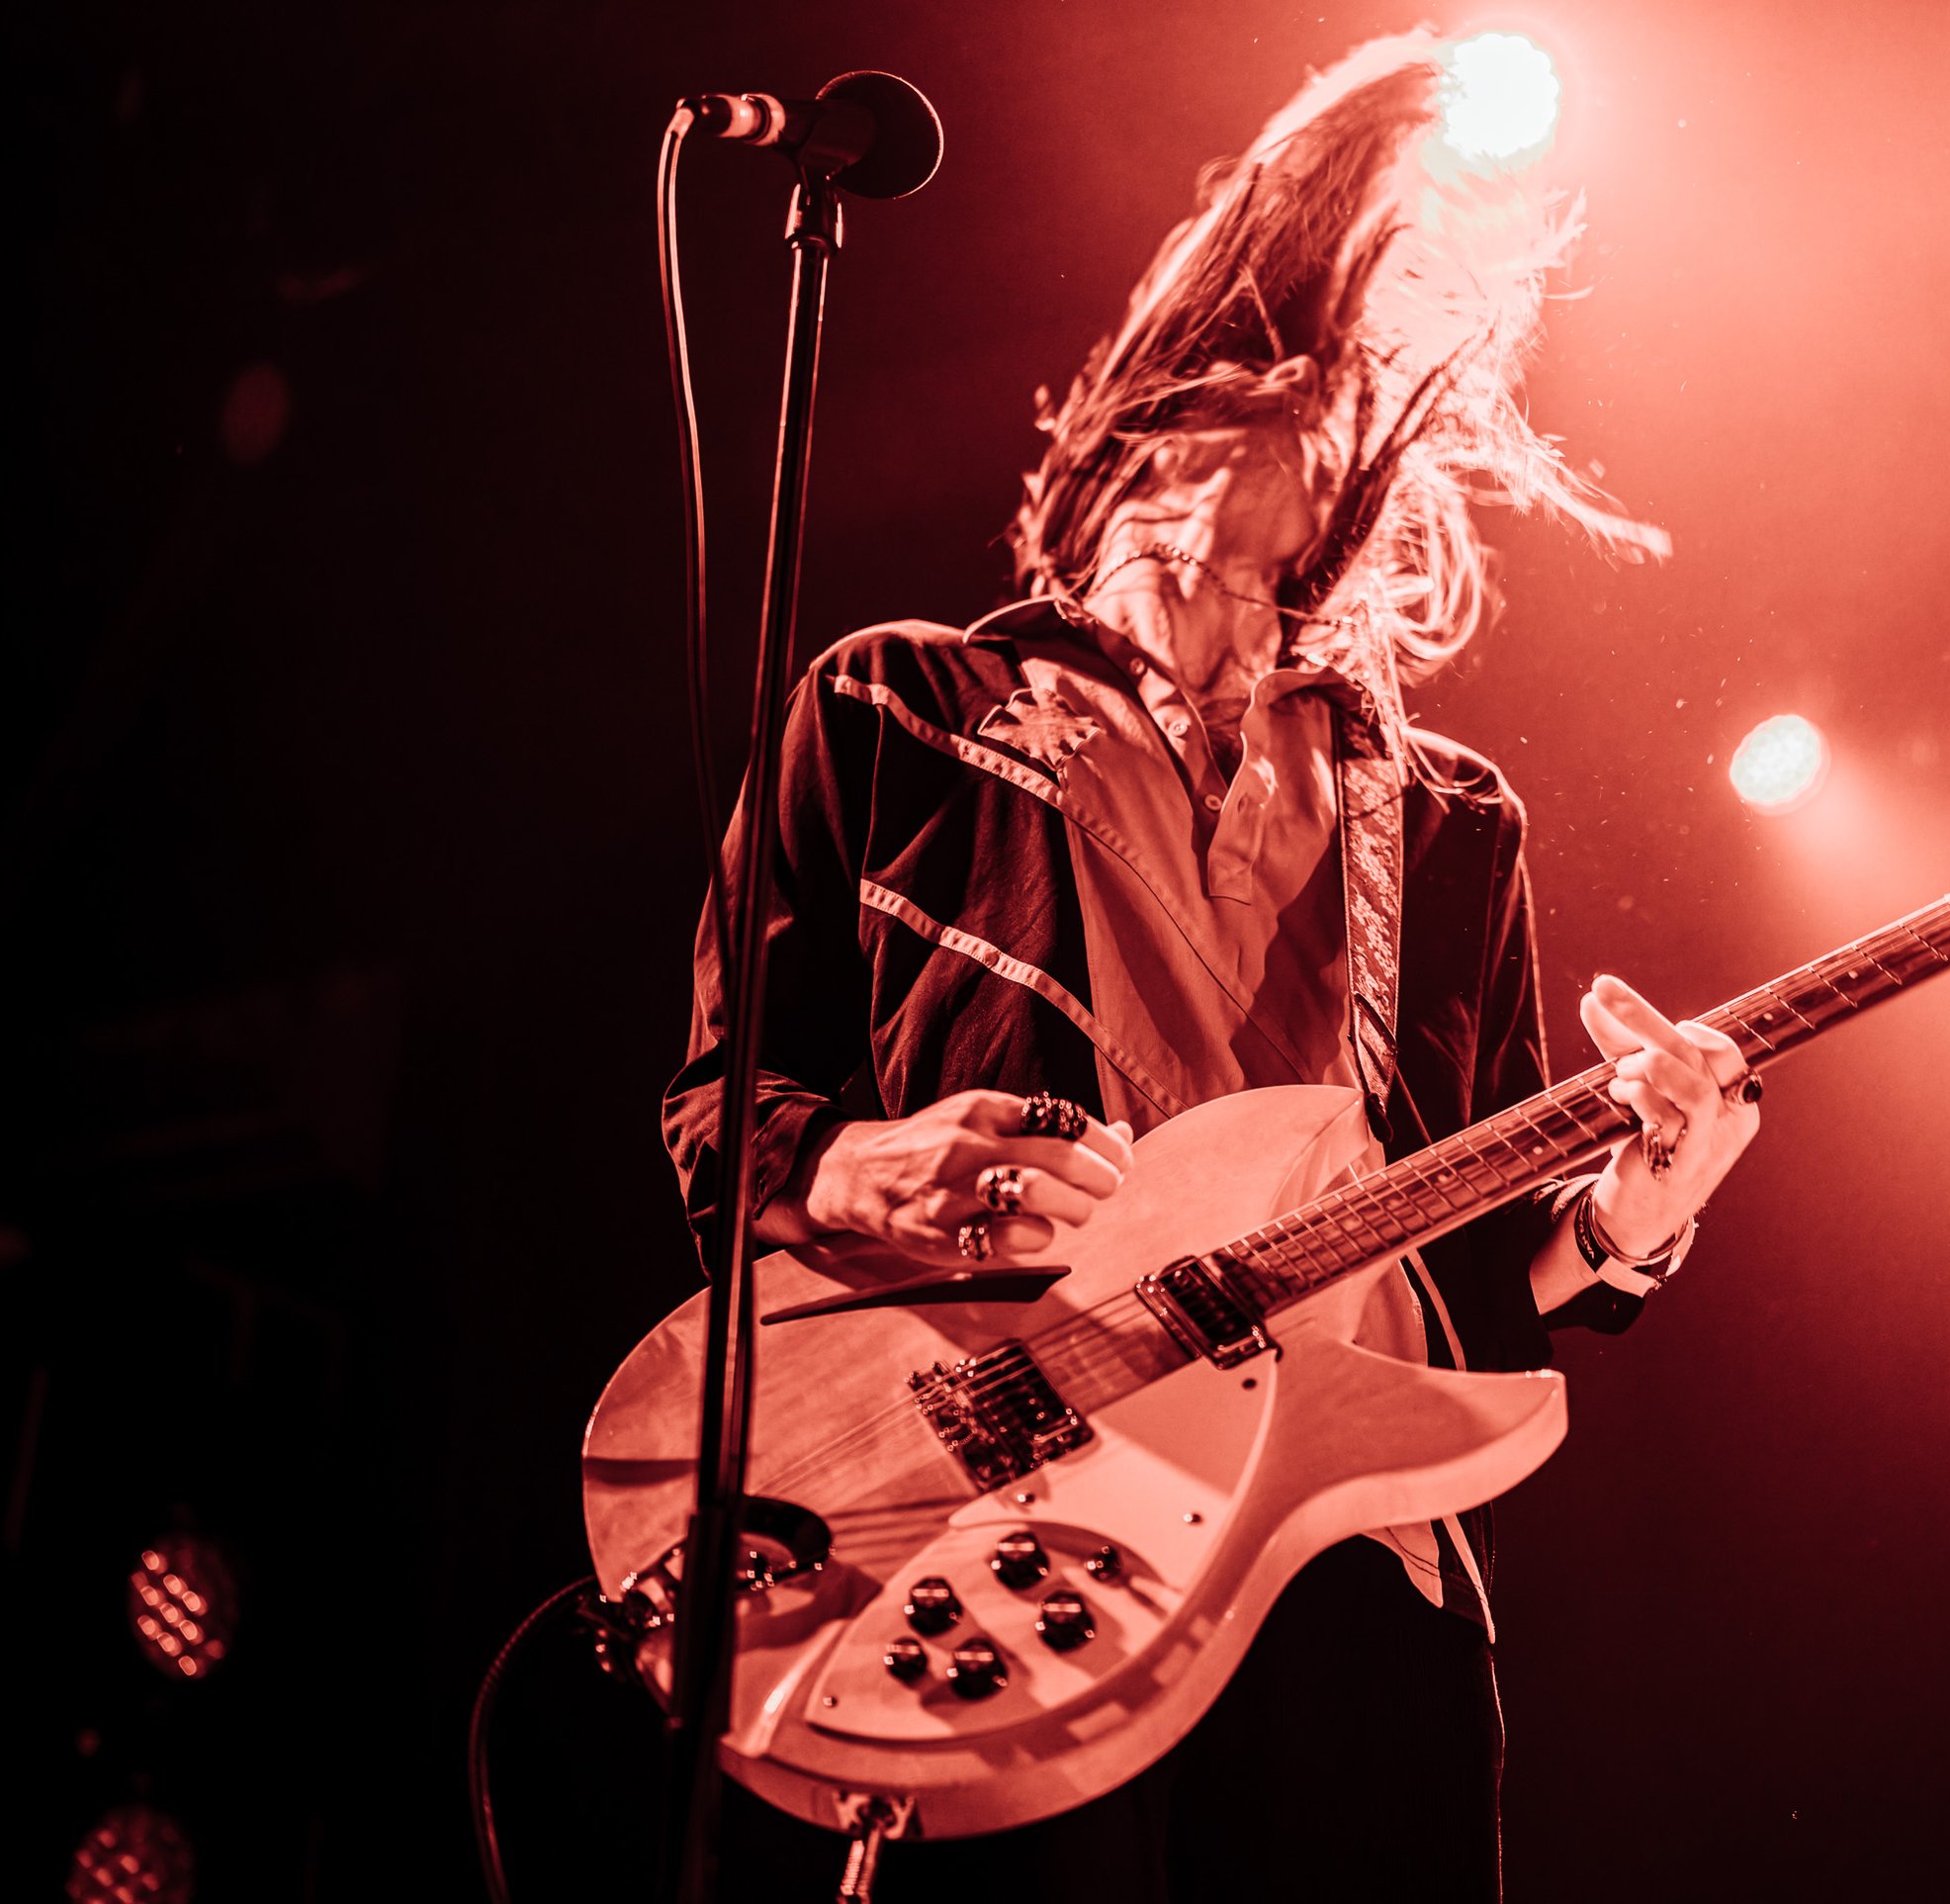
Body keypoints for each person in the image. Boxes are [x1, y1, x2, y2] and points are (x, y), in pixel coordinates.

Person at [663, 32, 1761, 1899]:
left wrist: (1636, 1212)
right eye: (1230, 379)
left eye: (1319, 396)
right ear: (1113, 451)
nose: (1272, 414)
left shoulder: (1450, 818)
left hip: (1332, 1563)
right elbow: (715, 1119)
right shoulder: (900, 704)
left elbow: (1489, 1265)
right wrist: (862, 1163)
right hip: (1002, 1527)